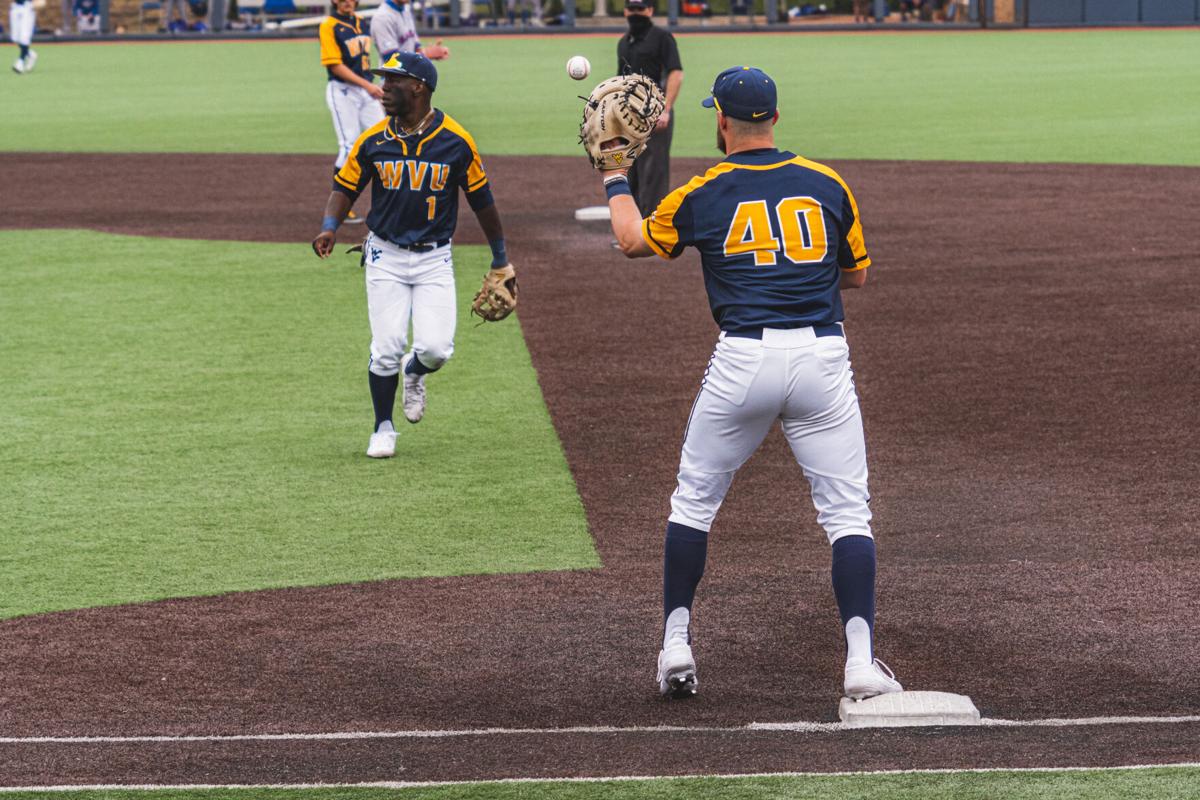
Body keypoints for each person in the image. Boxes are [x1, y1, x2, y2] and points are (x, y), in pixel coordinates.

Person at [599, 65, 903, 701]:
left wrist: (613, 173)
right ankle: (859, 662)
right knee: (848, 514)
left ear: (721, 121)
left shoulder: (704, 190)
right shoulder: (827, 183)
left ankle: (676, 646)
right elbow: (856, 278)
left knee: (694, 502)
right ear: (775, 119)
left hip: (743, 362)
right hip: (823, 360)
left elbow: (631, 241)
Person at [311, 52, 514, 459]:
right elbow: (345, 185)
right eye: (383, 82)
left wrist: (500, 258)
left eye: (392, 82)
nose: (382, 90)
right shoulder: (375, 140)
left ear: (418, 86)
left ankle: (415, 371)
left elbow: (483, 202)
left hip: (434, 258)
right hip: (384, 254)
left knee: (437, 349)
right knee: (386, 345)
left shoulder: (456, 141)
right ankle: (382, 426)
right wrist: (330, 226)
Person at [617, 0, 683, 218]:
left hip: (655, 113)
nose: (636, 14)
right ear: (626, 11)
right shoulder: (624, 42)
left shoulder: (662, 38)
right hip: (629, 116)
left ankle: (653, 228)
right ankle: (634, 226)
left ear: (650, 10)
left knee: (653, 173)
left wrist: (666, 109)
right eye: (632, 9)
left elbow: (675, 73)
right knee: (631, 171)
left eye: (640, 9)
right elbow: (621, 81)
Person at [321, 0, 384, 224]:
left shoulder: (362, 22)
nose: (347, 1)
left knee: (385, 138)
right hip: (343, 91)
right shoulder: (329, 25)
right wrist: (367, 86)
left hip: (367, 91)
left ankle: (389, 202)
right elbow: (335, 65)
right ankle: (340, 207)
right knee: (349, 146)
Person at [370, 0, 449, 64]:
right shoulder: (382, 18)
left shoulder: (406, 10)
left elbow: (415, 49)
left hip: (412, 77)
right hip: (393, 81)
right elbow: (391, 59)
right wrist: (425, 54)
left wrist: (432, 52)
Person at [8, 0, 36, 74]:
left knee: (24, 36)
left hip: (27, 7)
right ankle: (30, 54)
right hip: (15, 7)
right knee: (15, 38)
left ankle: (20, 62)